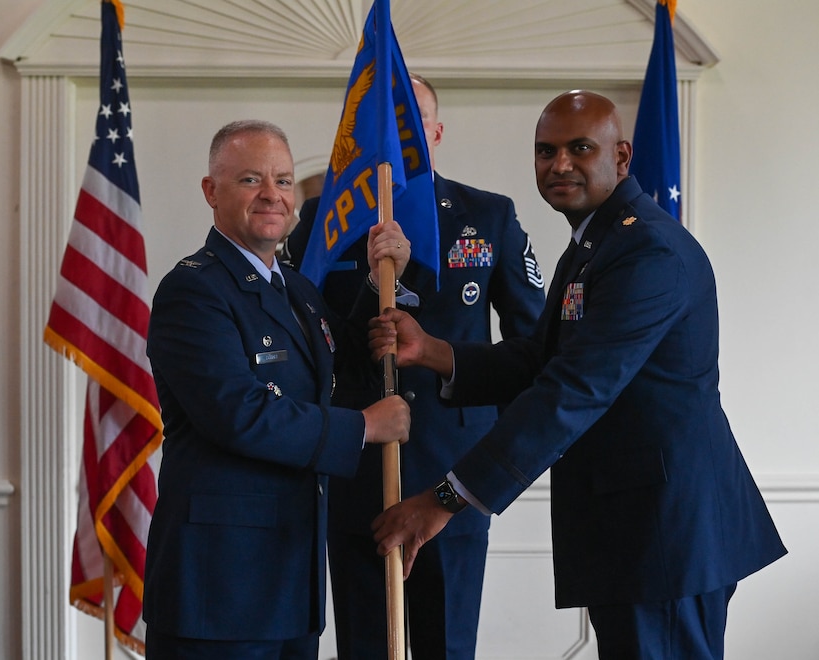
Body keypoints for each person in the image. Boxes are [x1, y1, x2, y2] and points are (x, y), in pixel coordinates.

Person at [369, 91, 787, 660]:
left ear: (620, 157)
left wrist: (445, 498)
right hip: (637, 530)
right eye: (545, 150)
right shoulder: (596, 243)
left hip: (665, 535)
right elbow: (542, 359)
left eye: (579, 148)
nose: (558, 164)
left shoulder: (647, 251)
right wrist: (436, 351)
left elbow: (573, 389)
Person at [285, 74, 546, 659]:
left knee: (447, 645)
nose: (397, 142)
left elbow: (533, 350)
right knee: (366, 646)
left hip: (452, 480)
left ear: (436, 131)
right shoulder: (323, 220)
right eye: (382, 131)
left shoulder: (489, 216)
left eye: (410, 127)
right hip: (356, 474)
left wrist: (496, 448)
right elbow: (306, 343)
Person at [143, 120, 412, 659]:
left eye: (284, 181)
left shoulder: (296, 288)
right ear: (210, 191)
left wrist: (384, 280)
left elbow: (336, 367)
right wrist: (364, 426)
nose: (272, 194)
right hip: (219, 590)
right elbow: (238, 414)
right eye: (251, 180)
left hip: (291, 581)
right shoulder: (193, 290)